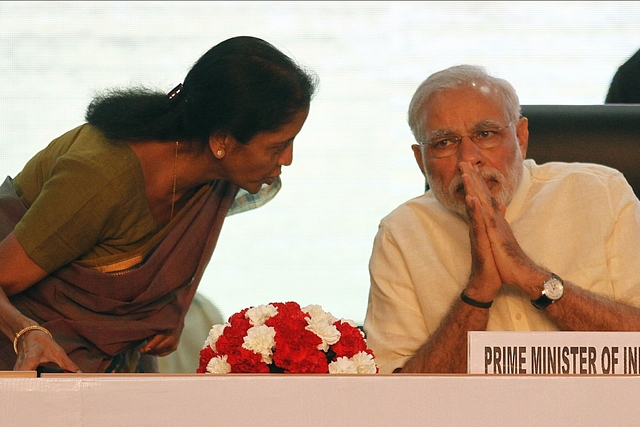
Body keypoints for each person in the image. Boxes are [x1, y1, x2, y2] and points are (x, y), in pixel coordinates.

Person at [0, 36, 317, 373]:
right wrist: (26, 332)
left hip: (114, 363)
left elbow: (187, 251)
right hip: (22, 358)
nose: (288, 158)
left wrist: (176, 312)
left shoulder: (212, 175)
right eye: (278, 145)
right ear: (222, 140)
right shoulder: (101, 177)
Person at [363, 64, 640, 374]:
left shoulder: (600, 192)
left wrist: (532, 276)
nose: (468, 158)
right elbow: (394, 395)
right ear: (420, 160)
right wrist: (477, 292)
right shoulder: (401, 232)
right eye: (444, 143)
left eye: (486, 134)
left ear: (521, 137)